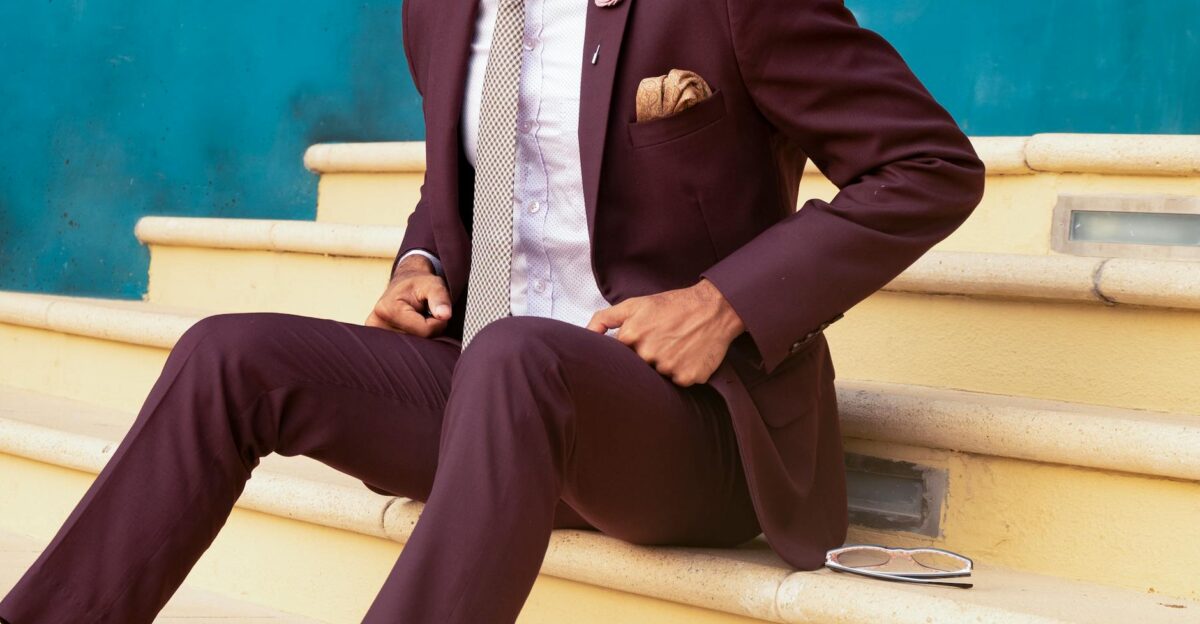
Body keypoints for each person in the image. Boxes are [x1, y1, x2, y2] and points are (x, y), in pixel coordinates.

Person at [0, 0, 984, 621]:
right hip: (498, 406)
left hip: (690, 426)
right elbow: (467, 184)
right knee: (228, 356)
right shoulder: (442, 11)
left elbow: (929, 165)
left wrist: (725, 303)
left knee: (516, 357)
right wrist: (421, 261)